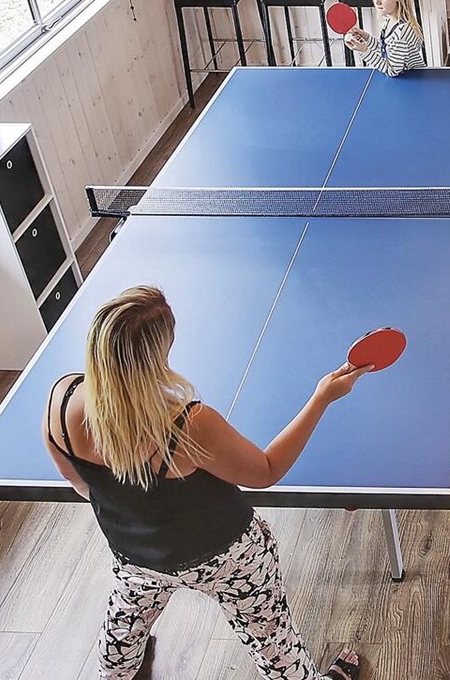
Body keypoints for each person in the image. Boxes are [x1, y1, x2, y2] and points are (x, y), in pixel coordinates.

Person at [43, 286, 369, 680]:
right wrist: (321, 398)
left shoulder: (62, 401)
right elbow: (266, 471)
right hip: (229, 559)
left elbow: (78, 482)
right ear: (158, 353)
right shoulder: (187, 423)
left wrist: (136, 512)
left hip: (137, 557)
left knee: (120, 636)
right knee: (272, 640)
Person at [343, 0, 426, 76]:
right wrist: (366, 37)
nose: (377, 2)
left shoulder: (402, 32)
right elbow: (384, 49)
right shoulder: (388, 21)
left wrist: (364, 50)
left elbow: (392, 70)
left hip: (412, 79)